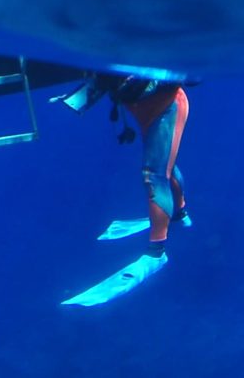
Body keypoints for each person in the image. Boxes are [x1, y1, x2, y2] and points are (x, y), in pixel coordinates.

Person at [56, 72, 193, 307]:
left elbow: (189, 74)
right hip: (144, 110)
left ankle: (156, 251)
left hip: (167, 107)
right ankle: (179, 213)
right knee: (165, 166)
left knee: (154, 174)